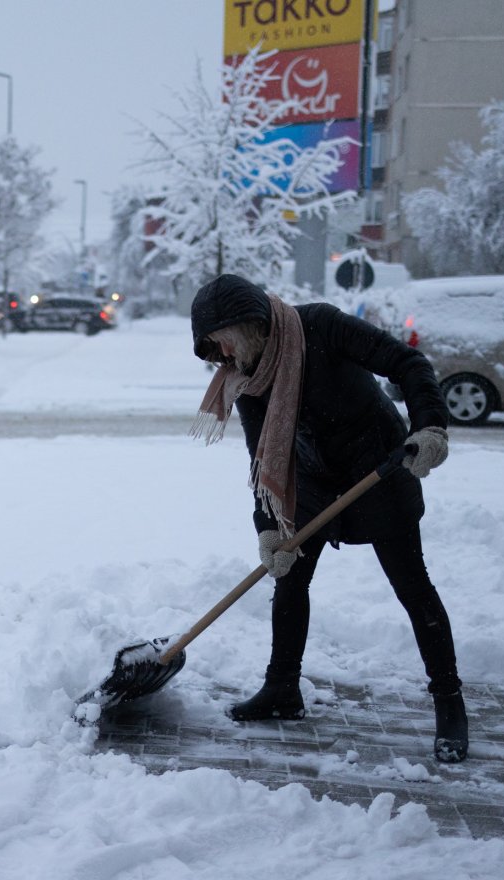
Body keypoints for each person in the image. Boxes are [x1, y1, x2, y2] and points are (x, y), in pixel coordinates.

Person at [189, 274, 467, 763]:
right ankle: (282, 689)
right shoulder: (251, 373)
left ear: (248, 324)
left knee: (413, 587)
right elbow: (261, 459)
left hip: (379, 470)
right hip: (313, 482)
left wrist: (430, 426)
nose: (218, 354)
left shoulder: (320, 326)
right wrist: (269, 527)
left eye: (219, 339)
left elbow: (408, 362)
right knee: (290, 582)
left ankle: (449, 702)